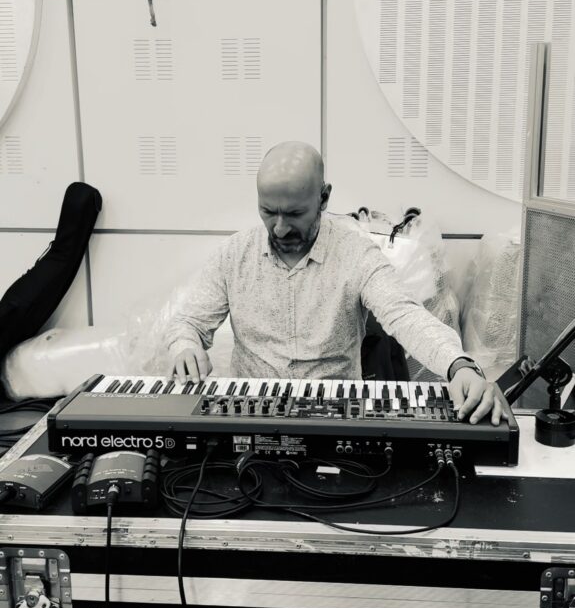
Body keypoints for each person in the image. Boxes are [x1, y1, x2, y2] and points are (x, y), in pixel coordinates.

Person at [166, 142, 507, 425]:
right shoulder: (233, 254)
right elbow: (188, 322)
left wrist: (459, 365)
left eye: (295, 214)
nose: (280, 228)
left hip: (335, 417)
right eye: (268, 212)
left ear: (324, 198)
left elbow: (404, 314)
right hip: (250, 417)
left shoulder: (356, 253)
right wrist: (185, 345)